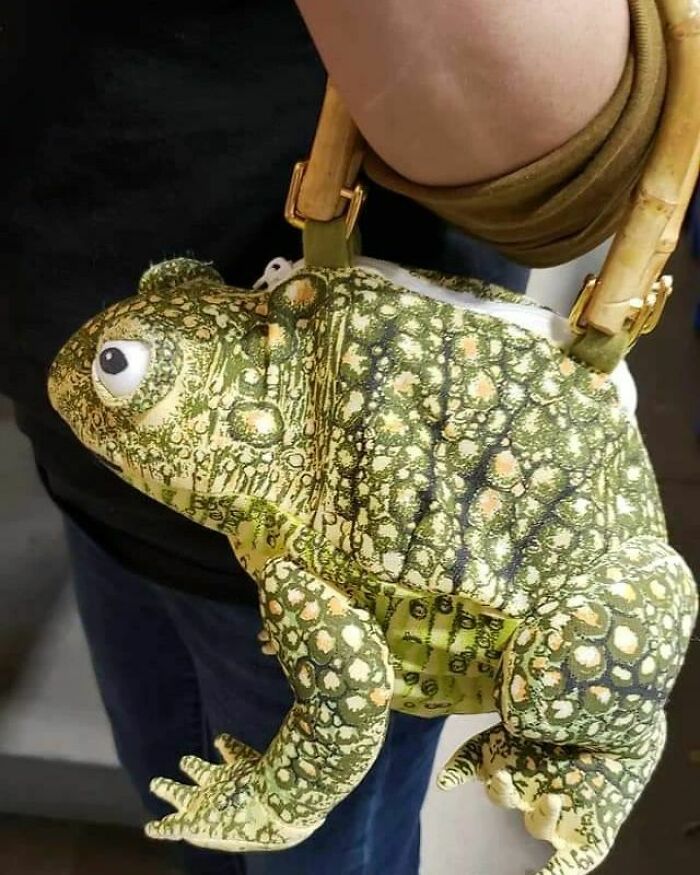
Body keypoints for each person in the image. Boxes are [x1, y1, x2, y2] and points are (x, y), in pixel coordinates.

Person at [0, 2, 665, 873]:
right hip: (95, 474)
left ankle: (611, 751)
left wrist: (275, 799)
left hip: (368, 567)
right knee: (177, 800)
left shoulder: (293, 549)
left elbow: (348, 692)